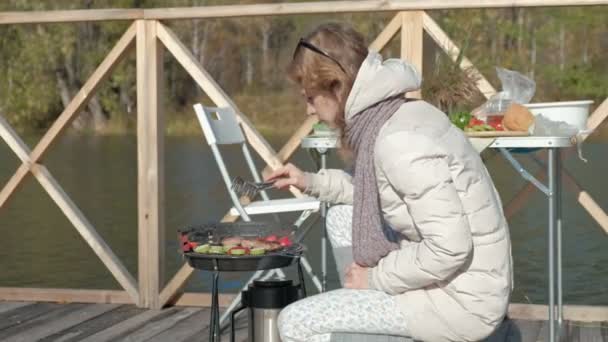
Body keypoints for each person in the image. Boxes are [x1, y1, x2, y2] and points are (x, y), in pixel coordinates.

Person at [267, 22, 513, 342]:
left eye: (311, 98)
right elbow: (371, 191)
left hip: (462, 302)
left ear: (337, 87)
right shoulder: (396, 113)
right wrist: (308, 180)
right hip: (455, 281)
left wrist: (374, 278)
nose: (308, 110)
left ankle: (364, 305)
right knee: (343, 215)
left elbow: (449, 249)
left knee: (294, 322)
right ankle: (364, 317)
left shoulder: (398, 141)